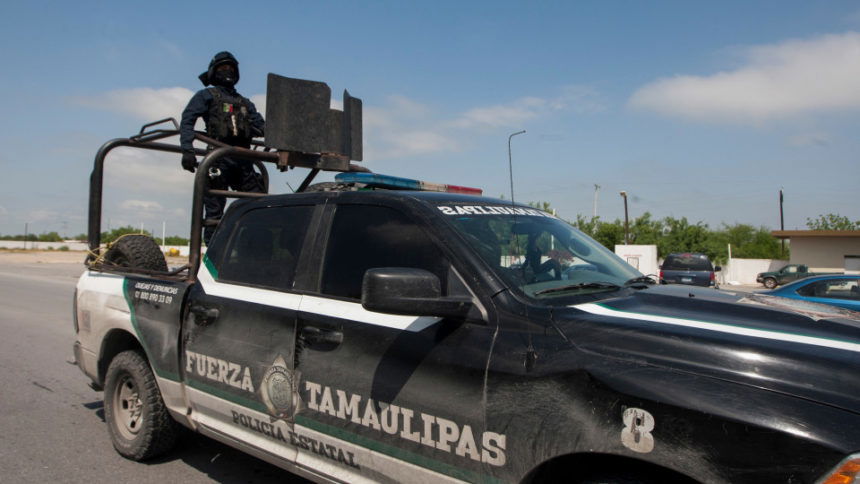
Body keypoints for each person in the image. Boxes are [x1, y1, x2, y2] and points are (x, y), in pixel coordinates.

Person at [180, 51, 266, 244]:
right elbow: (187, 121)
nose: (227, 72)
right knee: (214, 215)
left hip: (244, 162)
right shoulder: (206, 96)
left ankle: (251, 249)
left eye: (231, 68)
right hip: (218, 159)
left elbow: (262, 126)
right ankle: (211, 258)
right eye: (223, 68)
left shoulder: (245, 103)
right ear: (213, 72)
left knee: (259, 206)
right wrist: (187, 150)